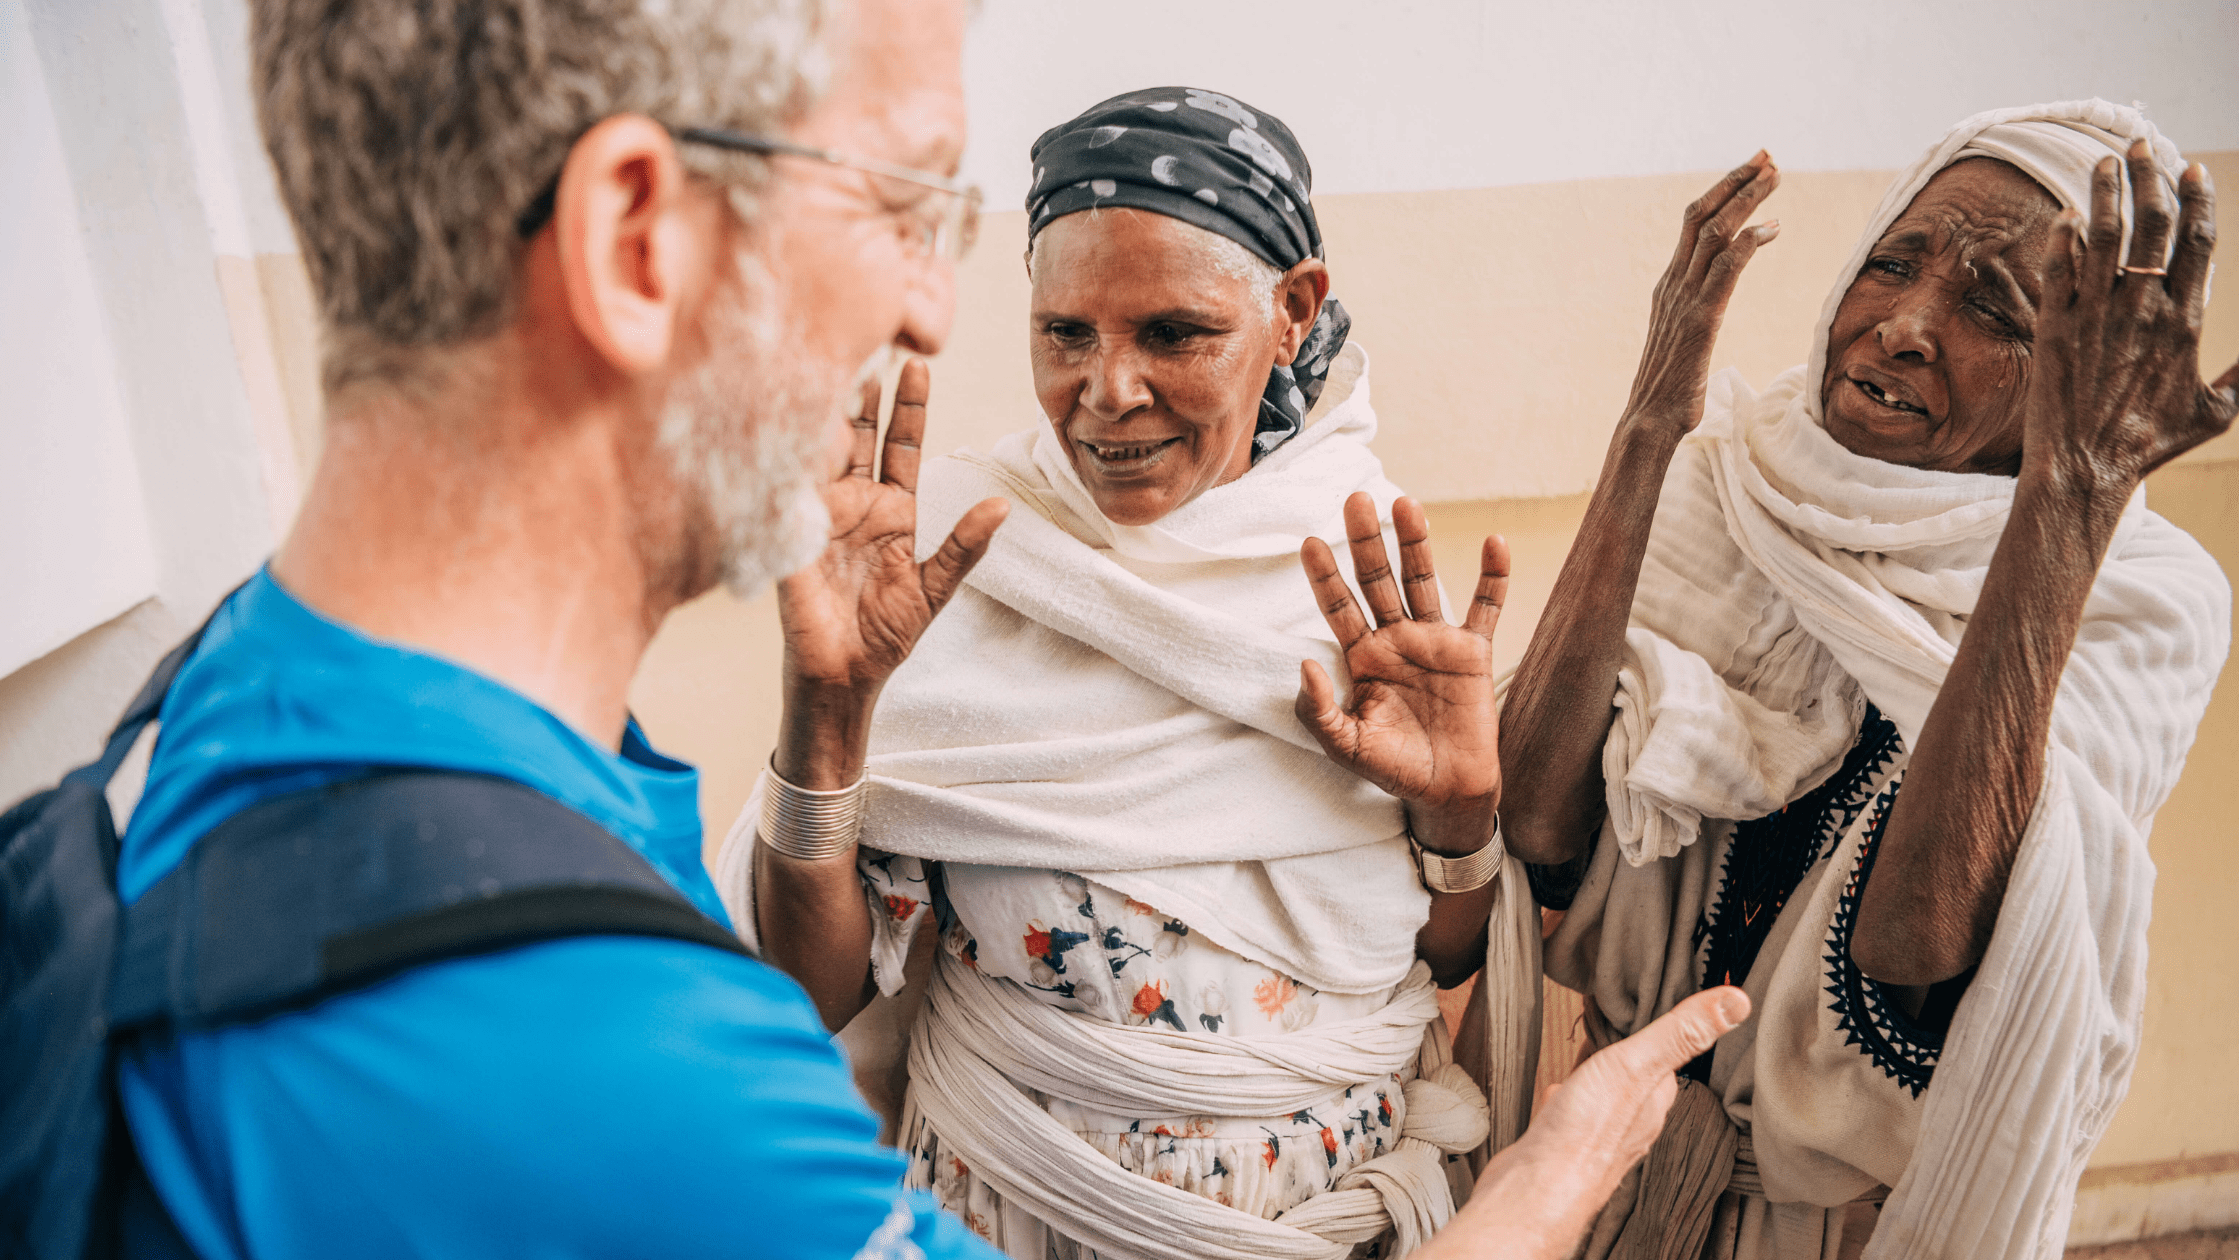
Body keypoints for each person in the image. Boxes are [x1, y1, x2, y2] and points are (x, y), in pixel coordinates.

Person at [100, 2, 1748, 1258]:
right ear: (630, 239)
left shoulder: (201, 735)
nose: (933, 313)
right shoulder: (619, 1069)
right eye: (902, 202)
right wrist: (1531, 1206)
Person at [722, 84, 1600, 1258]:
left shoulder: (1356, 579)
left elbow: (1437, 953)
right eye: (1064, 333)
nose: (1107, 392)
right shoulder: (957, 572)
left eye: (1173, 334)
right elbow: (808, 993)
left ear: (1292, 311)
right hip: (1010, 1223)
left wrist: (1456, 811)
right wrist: (826, 716)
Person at [1498, 101, 2236, 1259]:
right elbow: (1536, 821)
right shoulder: (1735, 482)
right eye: (1891, 262)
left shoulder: (2136, 589)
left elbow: (1912, 949)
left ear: (2083, 371)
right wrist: (1647, 425)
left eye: (1992, 308)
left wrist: (2068, 497)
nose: (1900, 324)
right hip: (1594, 1188)